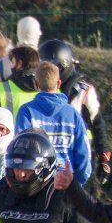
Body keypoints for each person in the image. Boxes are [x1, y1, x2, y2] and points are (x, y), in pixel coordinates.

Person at [41, 39, 111, 181]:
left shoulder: (83, 91)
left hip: (76, 156)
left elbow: (97, 123)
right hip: (46, 156)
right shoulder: (39, 88)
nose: (47, 74)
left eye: (51, 69)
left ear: (62, 67)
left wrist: (103, 157)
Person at [17, 61, 92, 189]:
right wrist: (77, 184)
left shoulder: (26, 111)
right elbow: (83, 154)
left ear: (35, 84)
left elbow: (20, 149)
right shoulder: (73, 114)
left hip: (36, 185)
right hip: (67, 183)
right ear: (59, 83)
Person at [0, 46, 37, 115]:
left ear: (20, 64)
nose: (11, 66)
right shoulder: (49, 87)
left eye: (12, 62)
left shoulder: (2, 88)